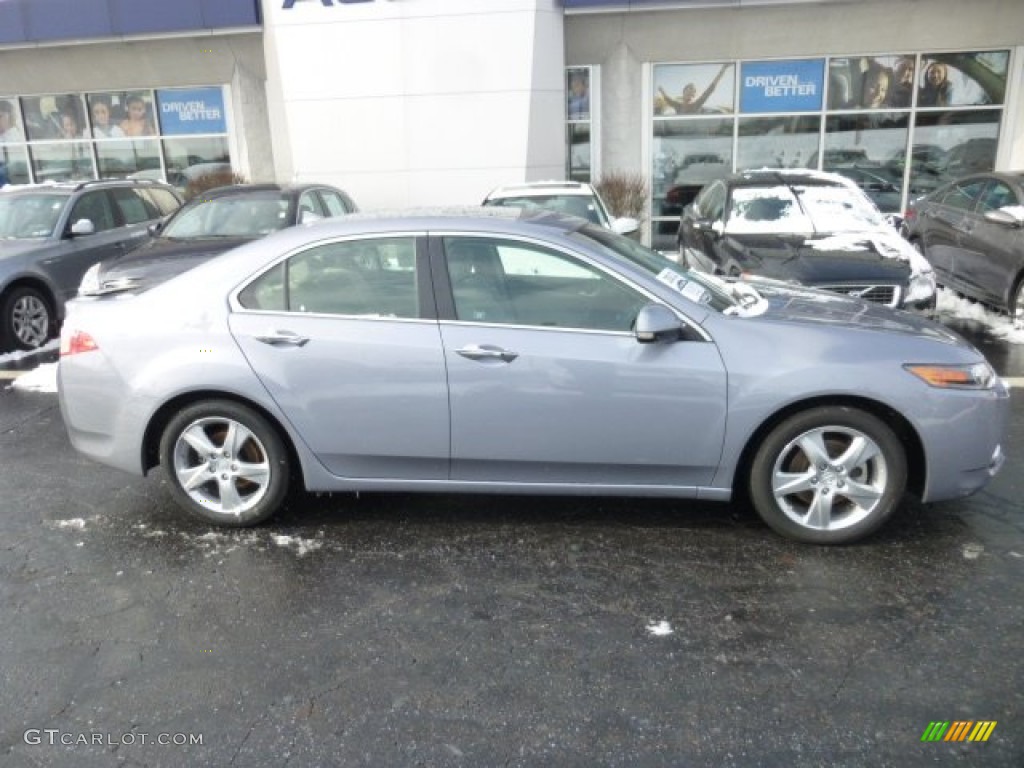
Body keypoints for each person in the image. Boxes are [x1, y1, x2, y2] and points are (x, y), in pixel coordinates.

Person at [656, 63, 730, 115]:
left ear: (694, 95)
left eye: (692, 93)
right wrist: (661, 91)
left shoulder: (696, 104)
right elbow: (667, 99)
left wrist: (723, 70)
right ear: (683, 92)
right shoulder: (677, 106)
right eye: (688, 92)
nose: (690, 94)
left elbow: (710, 89)